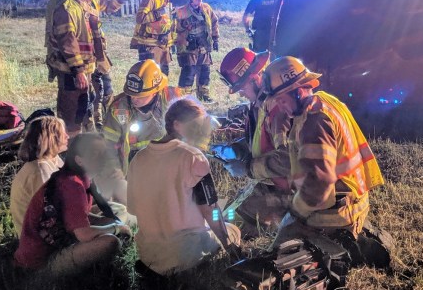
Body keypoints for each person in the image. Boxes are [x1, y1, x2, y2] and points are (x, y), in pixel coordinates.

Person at [260, 56, 385, 246]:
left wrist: (295, 211)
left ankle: (338, 247)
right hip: (353, 199)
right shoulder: (325, 100)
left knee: (281, 248)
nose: (281, 107)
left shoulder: (314, 122)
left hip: (337, 214)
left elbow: (319, 185)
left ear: (298, 91)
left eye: (282, 100)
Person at [127, 98, 242, 275]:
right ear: (177, 125)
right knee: (233, 229)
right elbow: (210, 210)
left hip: (148, 254)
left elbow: (133, 209)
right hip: (184, 254)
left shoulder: (138, 158)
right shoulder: (193, 157)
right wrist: (230, 247)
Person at [14, 133, 130, 276]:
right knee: (111, 242)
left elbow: (81, 216)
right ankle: (48, 277)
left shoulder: (78, 177)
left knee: (115, 216)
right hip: (43, 261)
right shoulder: (72, 185)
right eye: (96, 154)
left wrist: (111, 222)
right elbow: (83, 234)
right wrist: (116, 228)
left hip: (60, 240)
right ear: (79, 160)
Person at [217, 47, 292, 238]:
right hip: (272, 182)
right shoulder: (259, 105)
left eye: (242, 88)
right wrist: (237, 149)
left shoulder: (277, 109)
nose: (241, 94)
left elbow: (287, 161)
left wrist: (247, 168)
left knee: (231, 228)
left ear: (255, 78)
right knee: (225, 216)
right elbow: (261, 140)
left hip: (292, 191)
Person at [102, 59, 185, 174]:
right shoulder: (118, 109)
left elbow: (194, 128)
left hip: (169, 166)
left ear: (155, 92)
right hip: (134, 169)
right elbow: (109, 145)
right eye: (131, 94)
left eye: (140, 96)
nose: (133, 99)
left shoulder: (174, 98)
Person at [46, 0, 100, 135]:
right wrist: (78, 71)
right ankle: (67, 145)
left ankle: (82, 142)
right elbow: (67, 41)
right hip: (70, 70)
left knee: (84, 107)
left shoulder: (83, 3)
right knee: (71, 112)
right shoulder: (67, 8)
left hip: (84, 68)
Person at [9, 116, 68, 235]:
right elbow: (53, 209)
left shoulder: (53, 159)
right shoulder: (40, 170)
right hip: (40, 237)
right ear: (51, 138)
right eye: (63, 133)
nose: (67, 136)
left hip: (54, 226)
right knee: (106, 236)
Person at [87, 0, 126, 128]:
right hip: (88, 54)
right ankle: (97, 121)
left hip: (98, 52)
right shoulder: (75, 2)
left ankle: (107, 119)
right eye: (114, 7)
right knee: (95, 89)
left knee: (106, 86)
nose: (114, 11)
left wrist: (117, 1)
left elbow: (108, 6)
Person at [174, 0, 219, 102]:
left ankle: (204, 95)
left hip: (203, 45)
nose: (199, 2)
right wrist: (177, 42)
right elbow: (174, 30)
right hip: (188, 47)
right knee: (189, 71)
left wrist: (215, 39)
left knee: (205, 71)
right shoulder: (181, 12)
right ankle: (184, 98)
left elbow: (214, 22)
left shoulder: (206, 8)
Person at [131, 0, 180, 76]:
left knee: (164, 75)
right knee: (149, 76)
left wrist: (172, 41)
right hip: (150, 45)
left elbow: (166, 23)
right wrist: (157, 14)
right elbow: (140, 18)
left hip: (163, 44)